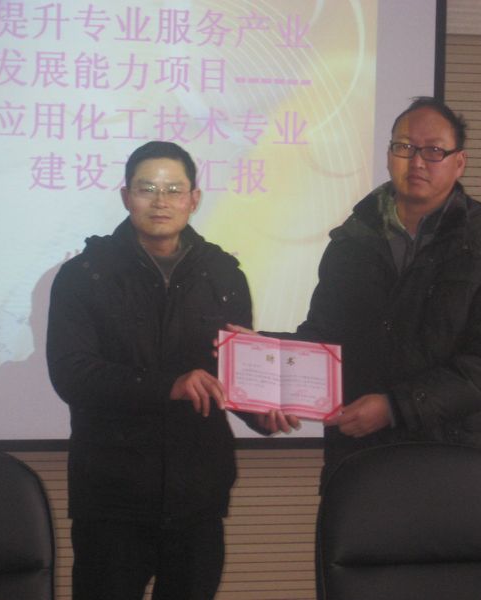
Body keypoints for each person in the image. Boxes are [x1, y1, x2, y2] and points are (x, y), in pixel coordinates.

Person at [235, 96, 481, 485]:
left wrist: (396, 408)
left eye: (434, 150)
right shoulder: (351, 241)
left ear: (459, 162)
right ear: (390, 154)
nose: (417, 161)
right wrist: (262, 359)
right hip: (359, 461)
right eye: (404, 147)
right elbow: (324, 338)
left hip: (452, 465)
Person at [46, 140, 297, 600]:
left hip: (198, 494)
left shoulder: (224, 274)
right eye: (147, 188)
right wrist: (170, 386)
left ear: (194, 199)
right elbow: (72, 374)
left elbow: (231, 374)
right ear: (126, 197)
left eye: (174, 189)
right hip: (112, 495)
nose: (160, 201)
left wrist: (261, 412)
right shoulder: (84, 275)